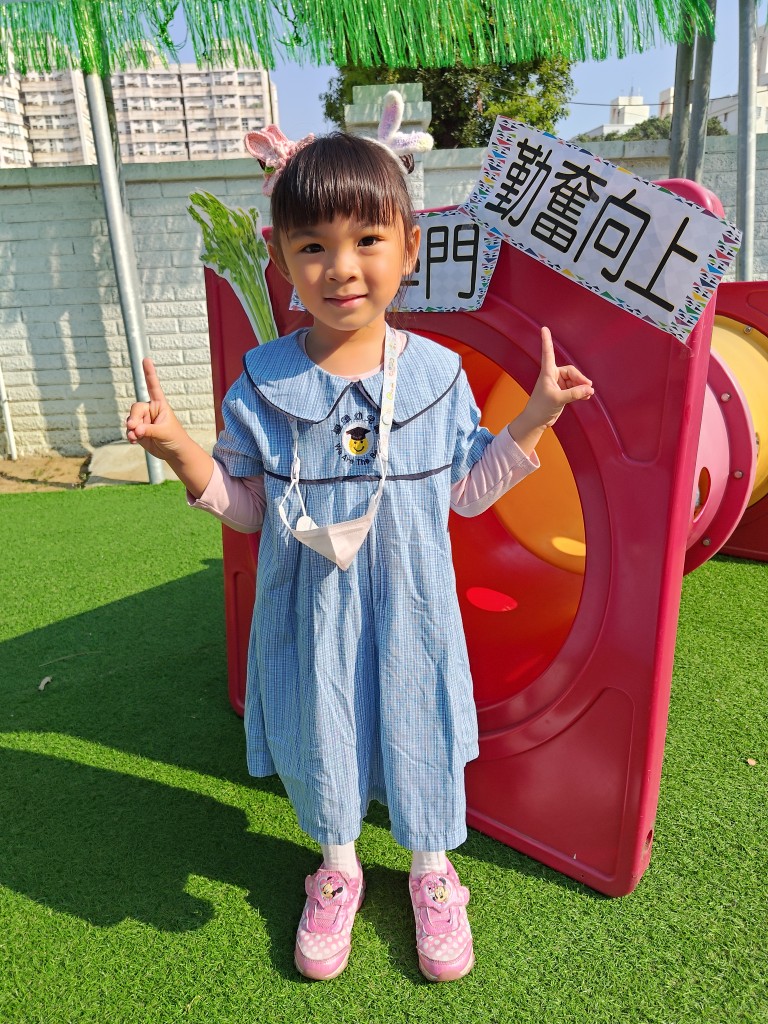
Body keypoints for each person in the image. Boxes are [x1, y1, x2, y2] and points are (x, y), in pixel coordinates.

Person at [126, 130, 594, 983]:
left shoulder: (439, 376)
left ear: (408, 248)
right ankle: (337, 867)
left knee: (419, 727)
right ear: (281, 259)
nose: (342, 267)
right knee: (326, 729)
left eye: (367, 239)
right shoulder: (262, 382)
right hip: (313, 614)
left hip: (413, 609)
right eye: (313, 246)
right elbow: (246, 510)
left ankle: (431, 872)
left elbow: (467, 493)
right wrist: (180, 449)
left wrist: (536, 416)